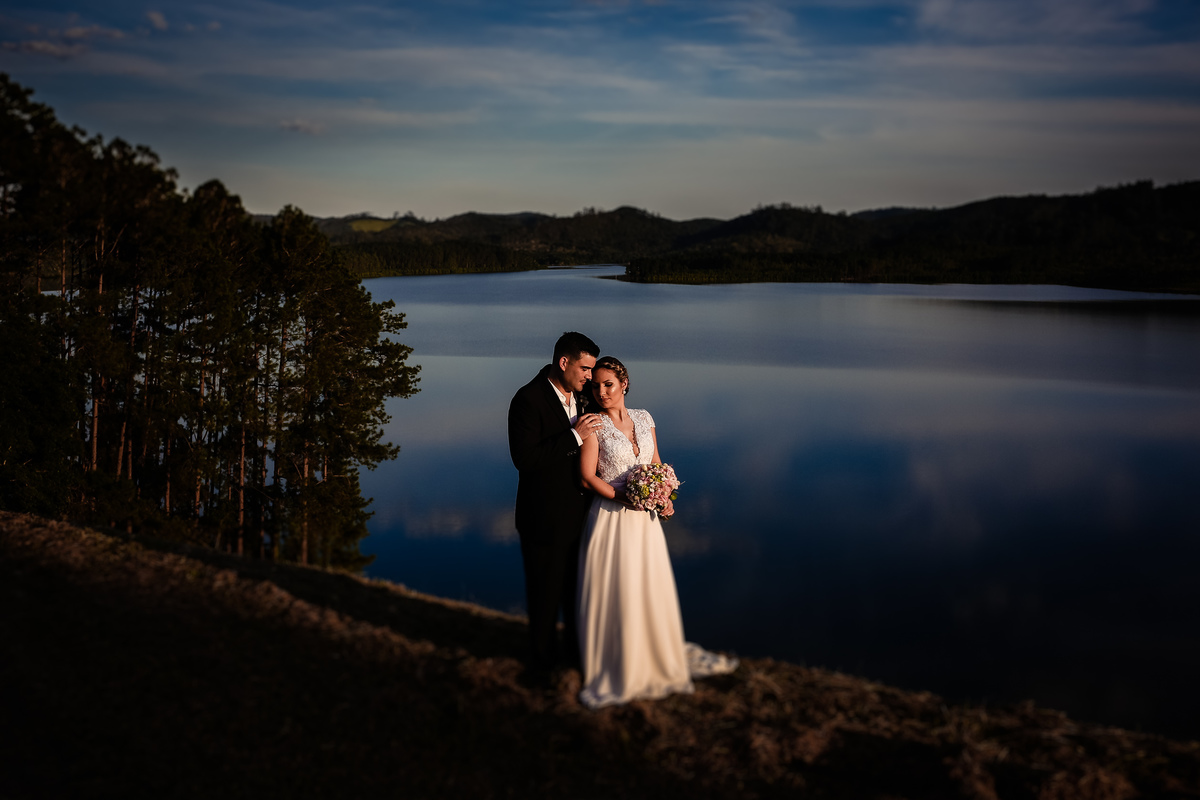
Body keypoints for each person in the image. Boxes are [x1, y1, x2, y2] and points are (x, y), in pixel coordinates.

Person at [576, 356, 737, 709]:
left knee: (646, 583)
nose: (601, 392)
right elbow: (588, 477)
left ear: (624, 384)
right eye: (596, 385)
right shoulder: (592, 425)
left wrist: (664, 494)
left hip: (644, 521)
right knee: (618, 586)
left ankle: (652, 650)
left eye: (609, 384)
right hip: (612, 518)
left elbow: (656, 464)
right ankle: (619, 662)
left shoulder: (645, 418)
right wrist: (624, 497)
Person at [507, 331, 603, 680]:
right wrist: (574, 435)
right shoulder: (527, 400)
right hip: (543, 519)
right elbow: (525, 459)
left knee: (576, 596)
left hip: (582, 517)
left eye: (592, 371)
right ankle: (541, 667)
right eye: (585, 368)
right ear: (563, 362)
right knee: (545, 598)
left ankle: (577, 660)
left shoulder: (584, 399)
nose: (589, 377)